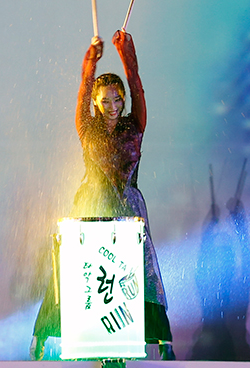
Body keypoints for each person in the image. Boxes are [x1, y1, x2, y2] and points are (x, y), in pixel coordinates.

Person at [31, 31, 175, 360]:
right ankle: (47, 334)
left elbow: (136, 84)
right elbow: (83, 89)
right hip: (92, 204)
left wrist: (127, 54)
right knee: (75, 268)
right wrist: (91, 62)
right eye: (105, 101)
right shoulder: (87, 126)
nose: (113, 106)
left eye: (118, 100)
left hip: (128, 206)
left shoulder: (134, 125)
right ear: (97, 103)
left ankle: (158, 339)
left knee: (141, 270)